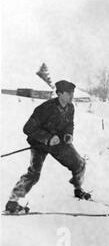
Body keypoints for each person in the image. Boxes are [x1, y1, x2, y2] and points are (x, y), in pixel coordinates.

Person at [4, 80, 90, 214]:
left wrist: (68, 134)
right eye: (69, 93)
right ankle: (12, 202)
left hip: (58, 143)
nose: (72, 96)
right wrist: (47, 138)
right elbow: (27, 128)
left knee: (80, 163)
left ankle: (78, 189)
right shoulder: (45, 108)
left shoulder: (70, 107)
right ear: (60, 93)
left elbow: (69, 124)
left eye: (73, 93)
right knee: (34, 174)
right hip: (40, 143)